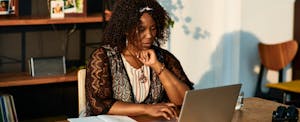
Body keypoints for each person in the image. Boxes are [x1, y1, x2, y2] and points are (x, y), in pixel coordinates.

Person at [85, 0, 194, 120]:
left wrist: (157, 66)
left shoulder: (164, 57)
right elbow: (100, 105)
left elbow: (184, 101)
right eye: (141, 29)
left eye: (153, 28)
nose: (149, 35)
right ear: (126, 29)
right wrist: (147, 109)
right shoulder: (104, 57)